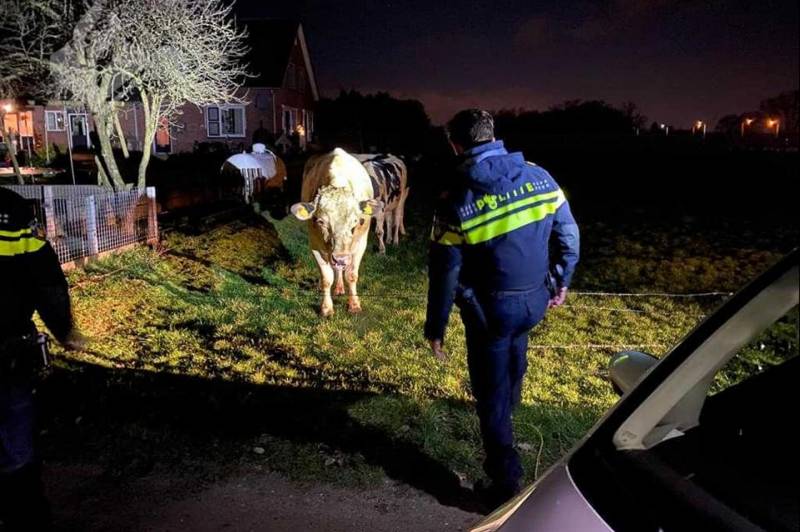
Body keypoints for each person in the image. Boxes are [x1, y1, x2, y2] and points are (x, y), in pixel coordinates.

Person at [424, 109, 580, 507]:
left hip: (490, 311)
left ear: (455, 143)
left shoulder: (455, 197)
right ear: (493, 135)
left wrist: (435, 326)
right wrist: (561, 280)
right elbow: (569, 233)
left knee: (489, 393)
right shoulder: (539, 175)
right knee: (516, 353)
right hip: (535, 301)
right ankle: (511, 412)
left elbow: (445, 272)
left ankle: (504, 482)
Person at [0, 187, 84, 530]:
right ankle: (24, 515)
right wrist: (64, 329)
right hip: (7, 354)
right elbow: (46, 280)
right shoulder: (10, 210)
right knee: (15, 443)